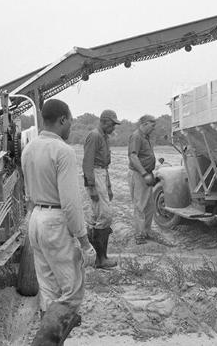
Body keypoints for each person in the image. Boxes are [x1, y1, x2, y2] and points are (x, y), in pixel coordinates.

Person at [21, 99, 96, 343]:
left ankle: (52, 341)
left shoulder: (29, 149)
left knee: (49, 291)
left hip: (36, 219)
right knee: (72, 293)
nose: (71, 126)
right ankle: (44, 343)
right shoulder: (63, 151)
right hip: (55, 221)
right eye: (71, 121)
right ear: (62, 119)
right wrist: (84, 242)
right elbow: (71, 204)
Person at [82, 109, 121, 269]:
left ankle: (98, 258)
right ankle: (100, 259)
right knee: (104, 216)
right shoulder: (95, 136)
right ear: (104, 122)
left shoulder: (104, 137)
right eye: (112, 124)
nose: (114, 128)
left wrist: (109, 186)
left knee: (100, 216)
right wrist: (91, 187)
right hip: (95, 175)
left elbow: (105, 166)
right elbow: (88, 163)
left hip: (101, 174)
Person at [128, 115, 174, 246]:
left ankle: (146, 231)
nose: (153, 129)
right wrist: (144, 173)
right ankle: (139, 235)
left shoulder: (145, 137)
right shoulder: (136, 136)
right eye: (152, 126)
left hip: (145, 173)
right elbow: (132, 156)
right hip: (138, 174)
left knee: (149, 205)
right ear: (145, 123)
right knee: (140, 205)